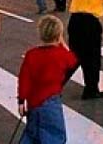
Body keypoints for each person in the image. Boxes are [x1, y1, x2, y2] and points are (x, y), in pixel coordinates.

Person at [17, 16, 78, 144]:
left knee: (33, 133)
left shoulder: (31, 54)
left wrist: (21, 100)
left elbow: (24, 80)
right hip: (51, 101)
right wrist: (63, 44)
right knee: (54, 134)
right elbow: (73, 61)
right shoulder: (61, 54)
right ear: (59, 36)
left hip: (33, 101)